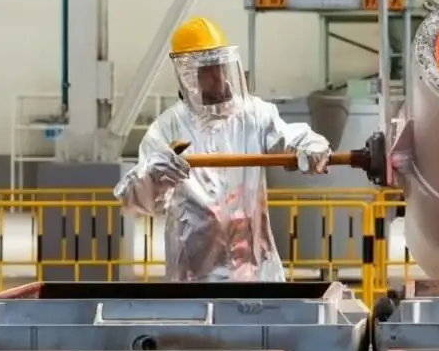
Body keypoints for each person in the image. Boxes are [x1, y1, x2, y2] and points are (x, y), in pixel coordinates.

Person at [113, 17, 331, 282]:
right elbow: (135, 201)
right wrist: (154, 177)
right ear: (188, 75)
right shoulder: (167, 129)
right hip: (194, 277)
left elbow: (286, 137)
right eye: (206, 70)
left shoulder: (254, 115)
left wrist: (308, 144)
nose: (217, 76)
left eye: (219, 65)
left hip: (255, 273)